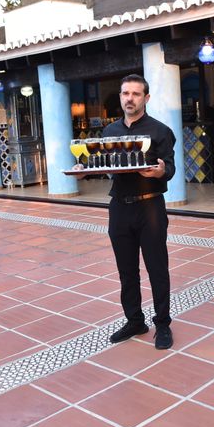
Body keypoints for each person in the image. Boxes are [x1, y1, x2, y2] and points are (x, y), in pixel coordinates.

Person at [73, 74, 176, 349]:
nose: (129, 98)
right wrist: (85, 172)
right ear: (120, 97)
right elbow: (104, 165)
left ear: (146, 98)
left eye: (136, 94)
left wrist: (163, 170)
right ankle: (134, 320)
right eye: (125, 93)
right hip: (119, 207)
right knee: (126, 270)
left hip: (150, 206)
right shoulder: (109, 133)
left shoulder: (161, 131)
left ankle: (163, 324)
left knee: (157, 268)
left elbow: (170, 167)